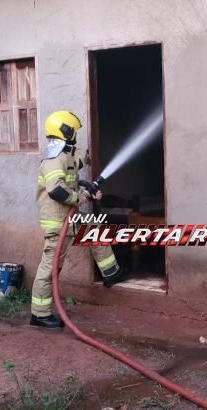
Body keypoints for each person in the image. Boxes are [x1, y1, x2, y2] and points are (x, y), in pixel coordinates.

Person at [30, 110, 127, 329]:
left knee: (95, 226)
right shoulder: (54, 159)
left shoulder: (65, 153)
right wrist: (80, 197)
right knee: (51, 266)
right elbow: (56, 190)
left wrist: (86, 186)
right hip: (57, 222)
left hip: (69, 217)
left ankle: (110, 272)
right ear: (65, 131)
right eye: (73, 130)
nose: (75, 134)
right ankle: (39, 313)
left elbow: (75, 169)